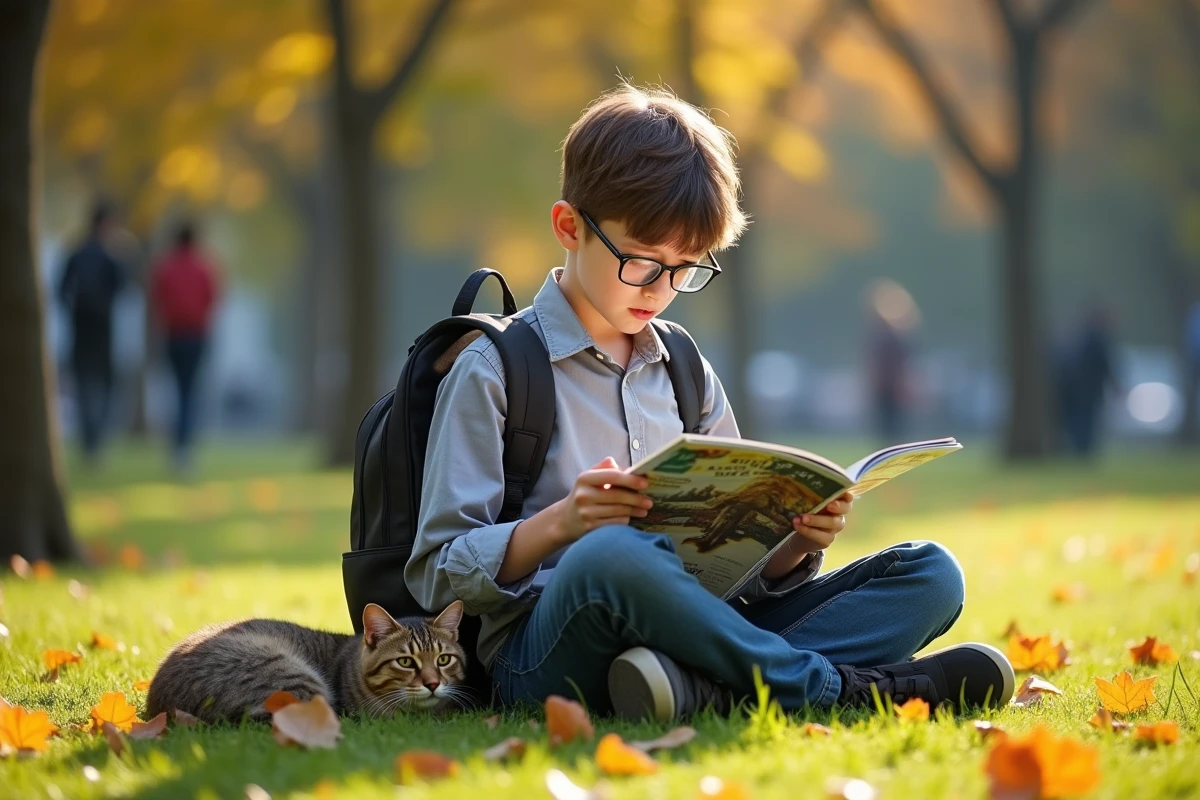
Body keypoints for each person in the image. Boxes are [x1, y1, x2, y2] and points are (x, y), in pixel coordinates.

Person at [405, 84, 1014, 722]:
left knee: (930, 575)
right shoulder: (495, 367)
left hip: (708, 624)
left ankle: (696, 688)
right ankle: (839, 690)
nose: (662, 288)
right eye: (643, 262)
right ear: (570, 227)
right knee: (613, 556)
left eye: (686, 267)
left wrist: (795, 543)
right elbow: (436, 572)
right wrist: (561, 523)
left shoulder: (684, 366)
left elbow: (737, 559)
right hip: (547, 652)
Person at [57, 201, 128, 463]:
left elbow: (61, 288)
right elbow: (123, 285)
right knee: (100, 383)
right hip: (100, 327)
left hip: (81, 325)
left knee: (87, 383)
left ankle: (91, 440)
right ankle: (94, 440)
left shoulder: (76, 252)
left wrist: (73, 309)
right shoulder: (110, 255)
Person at [150, 220, 220, 475]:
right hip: (197, 334)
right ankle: (185, 446)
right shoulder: (204, 267)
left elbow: (158, 297)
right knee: (190, 391)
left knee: (177, 389)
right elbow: (213, 298)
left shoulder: (165, 266)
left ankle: (177, 444)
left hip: (172, 334)